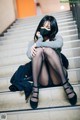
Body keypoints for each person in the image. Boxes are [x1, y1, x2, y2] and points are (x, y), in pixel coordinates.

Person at [27, 15, 77, 109]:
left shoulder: (57, 38)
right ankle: (35, 88)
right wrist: (38, 41)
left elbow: (58, 44)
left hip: (57, 76)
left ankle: (66, 84)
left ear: (52, 29)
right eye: (43, 26)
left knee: (47, 49)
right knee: (39, 51)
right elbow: (29, 56)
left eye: (48, 27)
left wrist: (39, 44)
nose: (44, 29)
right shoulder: (32, 43)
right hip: (43, 79)